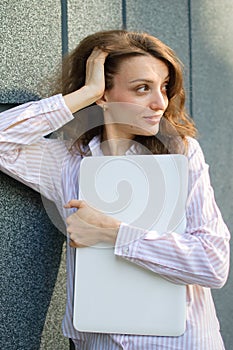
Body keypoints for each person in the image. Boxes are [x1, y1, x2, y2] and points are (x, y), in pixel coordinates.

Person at [0, 29, 230, 349]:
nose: (160, 102)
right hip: (101, 342)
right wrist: (84, 94)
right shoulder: (68, 163)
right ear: (104, 96)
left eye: (164, 87)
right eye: (142, 89)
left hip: (181, 341)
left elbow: (212, 263)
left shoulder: (181, 153)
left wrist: (114, 233)